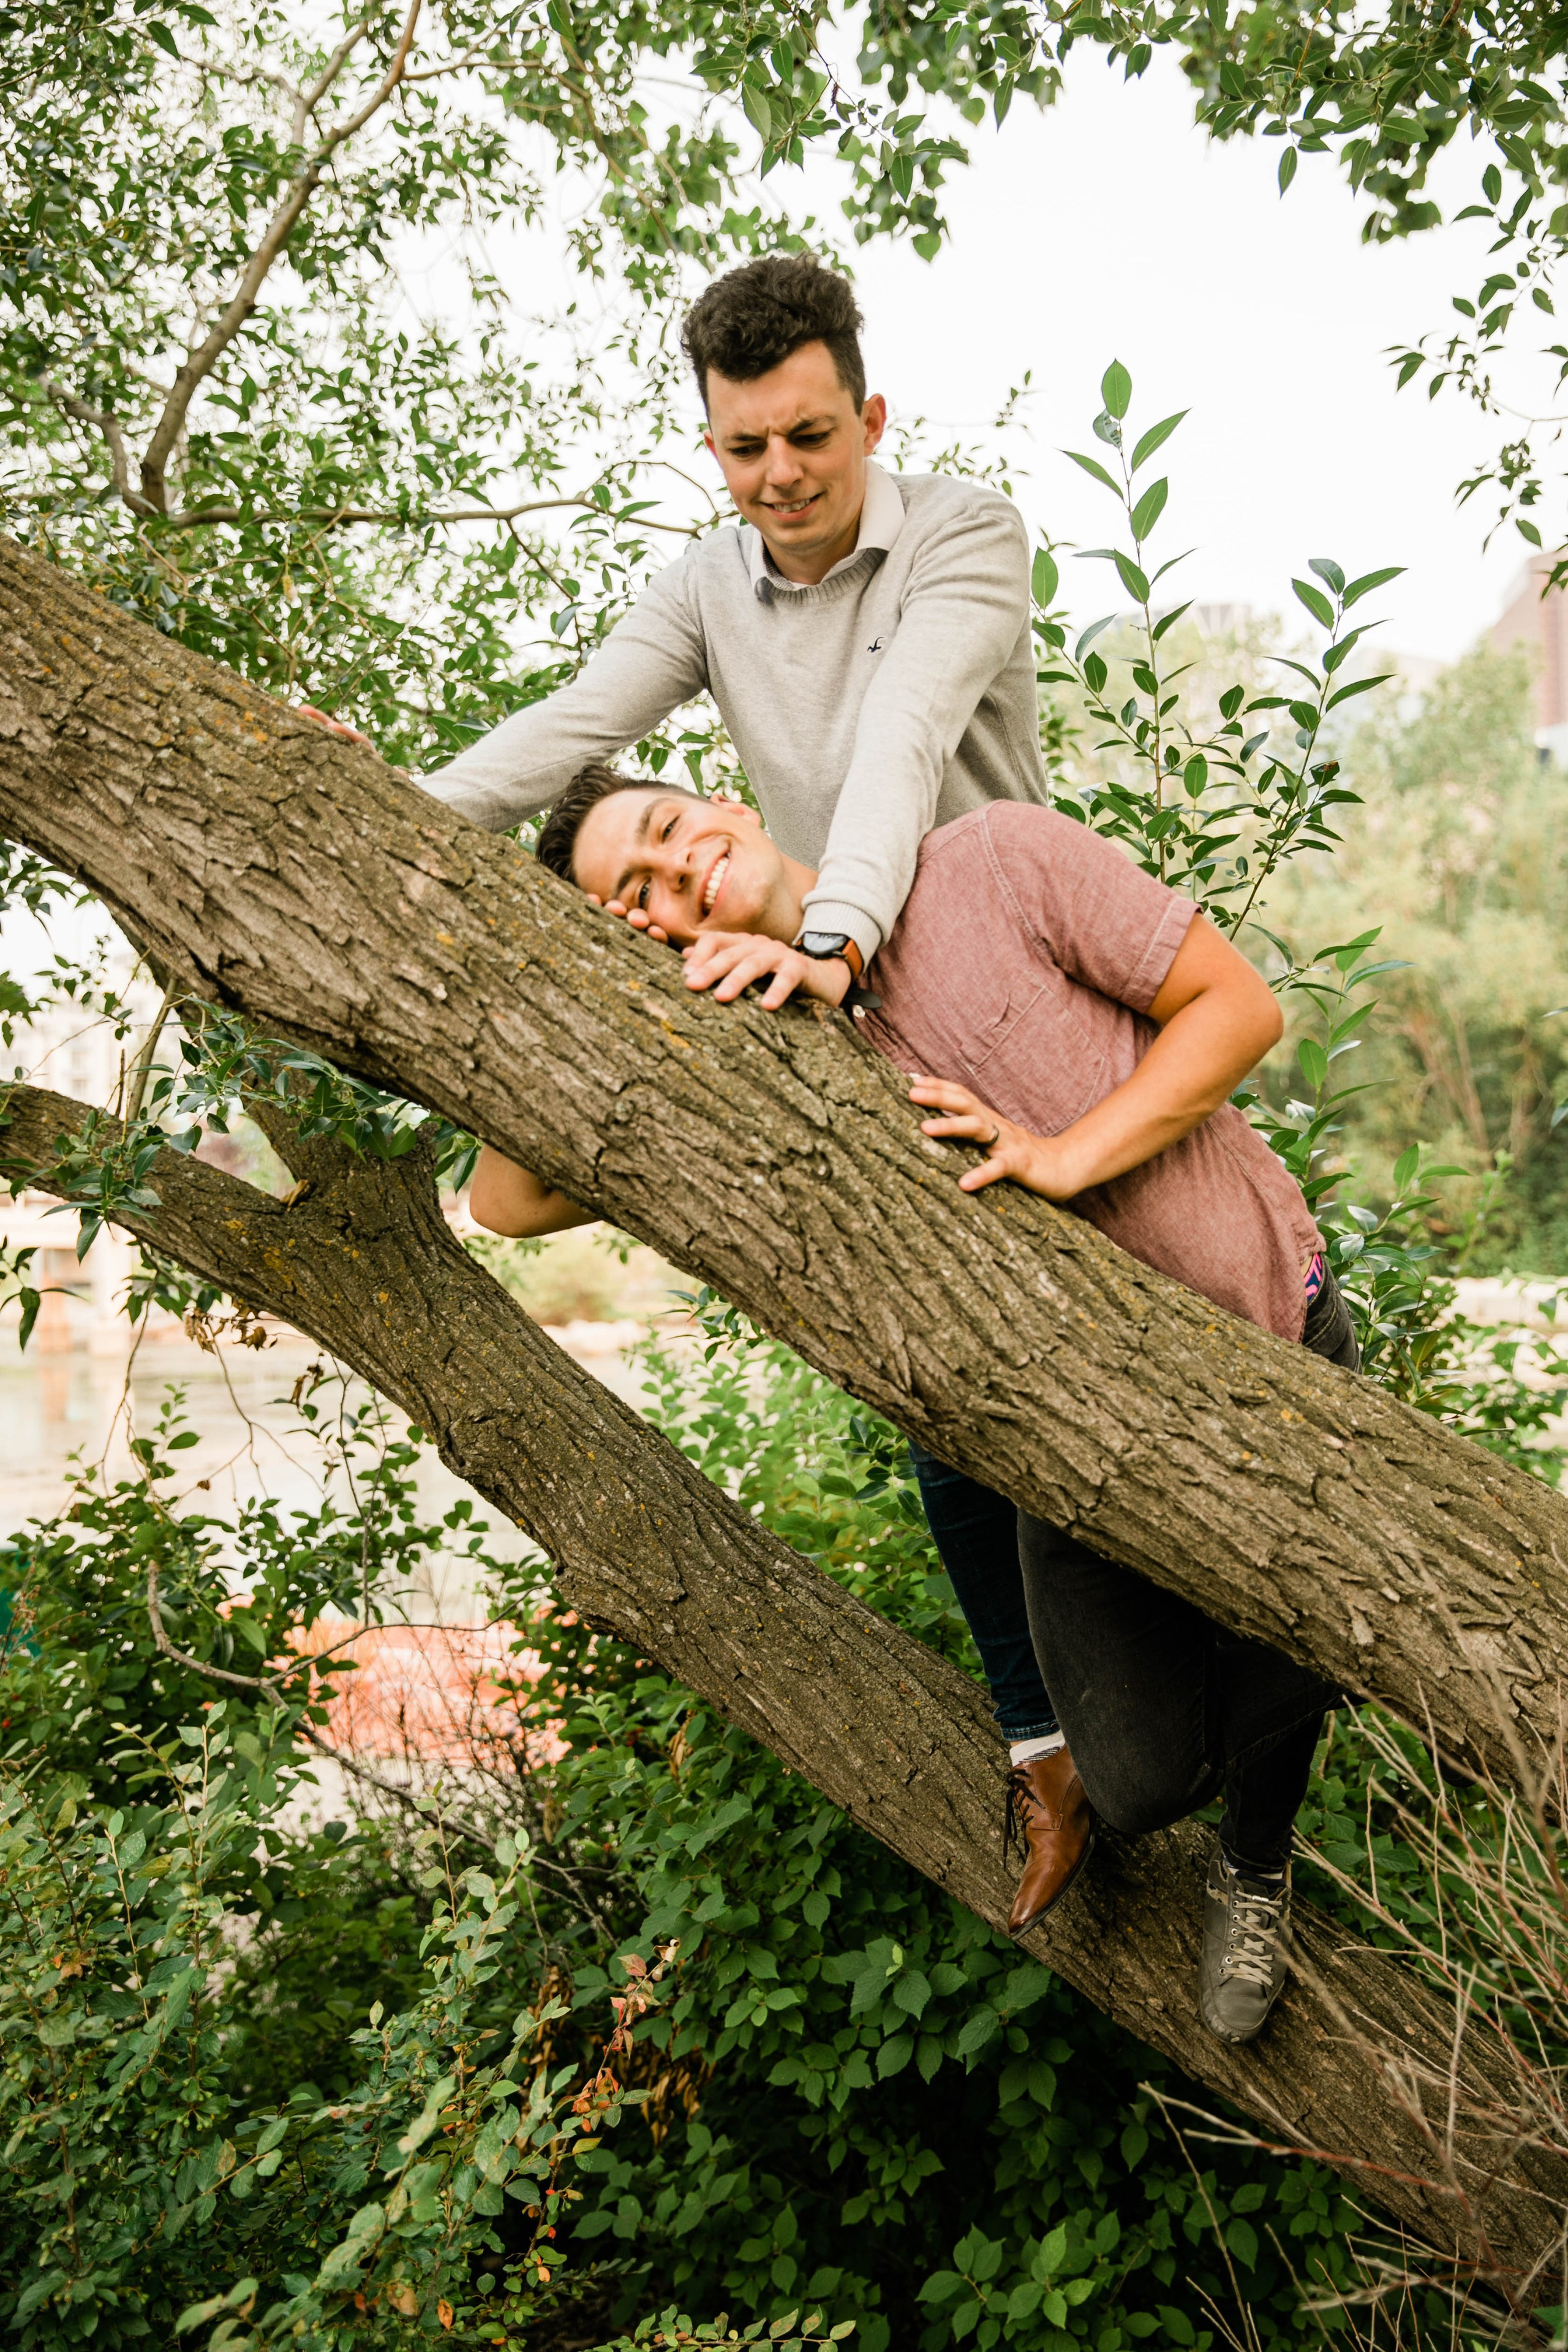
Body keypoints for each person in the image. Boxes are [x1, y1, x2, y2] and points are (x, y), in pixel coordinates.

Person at [472, 764, 1360, 2046]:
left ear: (725, 801)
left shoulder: (989, 861)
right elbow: (504, 1203)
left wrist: (1062, 1154)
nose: (680, 876)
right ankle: (1297, 1683)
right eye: (640, 895)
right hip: (1072, 1462)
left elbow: (1236, 1010)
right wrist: (561, 964)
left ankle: (1259, 1861)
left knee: (1318, 1628)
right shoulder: (739, 1059)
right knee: (1134, 1780)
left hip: (1263, 1345)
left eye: (671, 836)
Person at [419, 251, 1050, 1011]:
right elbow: (574, 724)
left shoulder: (965, 532)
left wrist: (832, 945)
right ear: (715, 451)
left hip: (1008, 955)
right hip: (856, 1000)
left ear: (870, 422)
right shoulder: (702, 587)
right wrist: (382, 802)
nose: (780, 474)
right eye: (747, 450)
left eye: (809, 436)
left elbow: (902, 734)